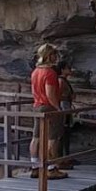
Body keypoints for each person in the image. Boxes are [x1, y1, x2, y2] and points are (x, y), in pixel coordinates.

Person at [29, 43, 67, 179]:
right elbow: (50, 93)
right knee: (53, 138)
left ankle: (35, 167)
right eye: (54, 55)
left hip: (37, 105)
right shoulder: (50, 73)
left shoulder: (35, 72)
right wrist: (57, 108)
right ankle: (51, 168)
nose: (56, 57)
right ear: (48, 56)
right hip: (48, 107)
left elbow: (34, 91)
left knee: (36, 137)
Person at [56, 61, 77, 164]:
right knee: (63, 132)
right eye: (68, 68)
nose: (70, 70)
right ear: (62, 69)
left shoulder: (64, 81)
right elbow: (58, 95)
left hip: (66, 106)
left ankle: (66, 156)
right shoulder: (61, 81)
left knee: (67, 132)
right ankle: (62, 158)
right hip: (64, 107)